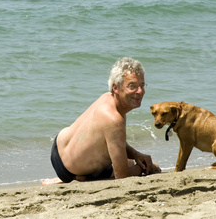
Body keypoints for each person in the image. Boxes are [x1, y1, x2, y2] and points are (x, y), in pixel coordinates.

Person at [43, 57, 160, 185]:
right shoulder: (114, 119)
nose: (140, 91)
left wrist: (136, 155)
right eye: (132, 86)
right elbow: (122, 176)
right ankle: (78, 177)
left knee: (130, 160)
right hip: (70, 170)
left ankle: (77, 176)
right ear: (116, 87)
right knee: (130, 165)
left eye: (142, 86)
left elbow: (114, 140)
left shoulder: (106, 98)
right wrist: (147, 167)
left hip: (58, 146)